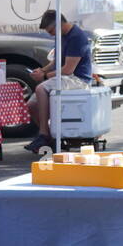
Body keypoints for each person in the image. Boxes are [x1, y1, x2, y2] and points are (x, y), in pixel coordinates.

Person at [24, 10, 92, 154]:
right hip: (66, 76)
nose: (50, 34)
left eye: (51, 30)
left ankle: (43, 134)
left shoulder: (77, 37)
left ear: (58, 24)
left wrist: (44, 76)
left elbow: (68, 69)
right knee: (31, 105)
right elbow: (56, 61)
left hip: (78, 79)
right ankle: (50, 138)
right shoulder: (61, 35)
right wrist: (42, 70)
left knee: (41, 88)